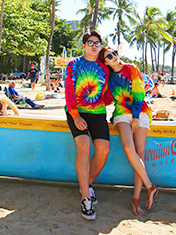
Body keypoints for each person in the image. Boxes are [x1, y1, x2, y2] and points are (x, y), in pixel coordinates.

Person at [99, 46, 159, 216]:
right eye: (110, 56)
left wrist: (135, 117)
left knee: (140, 154)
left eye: (115, 53)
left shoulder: (131, 68)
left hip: (139, 113)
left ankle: (136, 198)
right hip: (121, 115)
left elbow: (139, 94)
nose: (115, 57)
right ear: (105, 62)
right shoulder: (109, 78)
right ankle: (150, 186)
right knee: (129, 148)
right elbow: (106, 99)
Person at [64, 30, 112, 220]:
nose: (94, 46)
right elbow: (69, 90)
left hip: (98, 113)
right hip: (76, 111)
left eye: (97, 43)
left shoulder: (104, 68)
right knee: (84, 144)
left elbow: (107, 93)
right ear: (84, 45)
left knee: (104, 149)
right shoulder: (74, 64)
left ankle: (86, 183)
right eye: (90, 42)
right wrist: (75, 115)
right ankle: (86, 198)